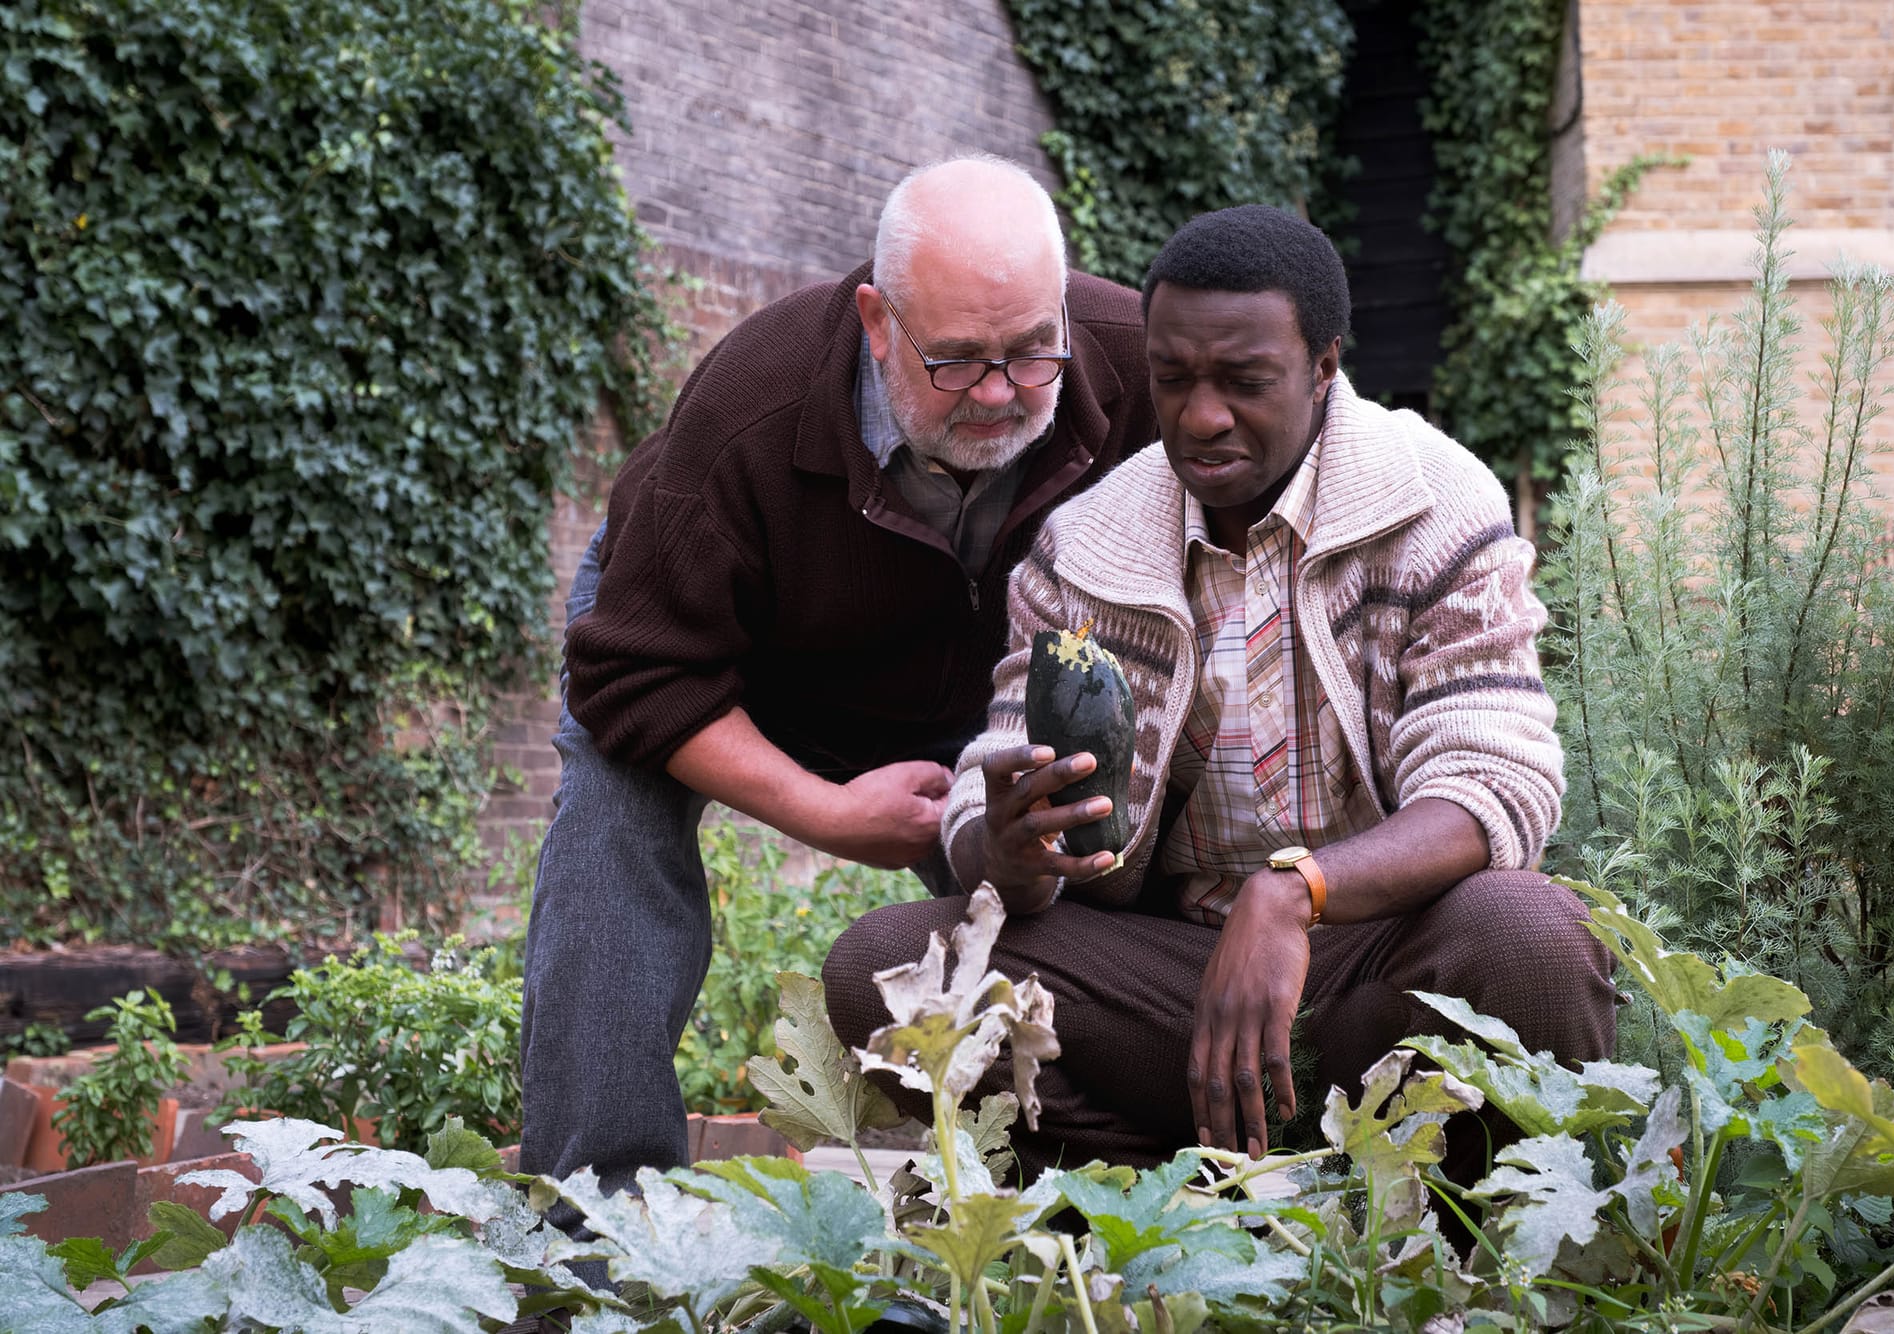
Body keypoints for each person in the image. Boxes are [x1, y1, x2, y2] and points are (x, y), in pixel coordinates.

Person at [823, 204, 1617, 1188]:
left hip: (1371, 972)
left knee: (1530, 934)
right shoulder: (1085, 547)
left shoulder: (1434, 503)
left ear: (1323, 365)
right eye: (1172, 378)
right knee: (885, 966)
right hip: (1166, 990)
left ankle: (1467, 1234)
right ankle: (1171, 1205)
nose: (1200, 416)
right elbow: (991, 804)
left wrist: (1292, 894)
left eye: (1243, 382)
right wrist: (1013, 848)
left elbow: (1493, 785)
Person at [519, 155, 1160, 1210]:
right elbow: (632, 675)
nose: (1000, 393)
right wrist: (823, 808)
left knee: (1051, 878)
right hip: (730, 644)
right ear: (875, 319)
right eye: (955, 362)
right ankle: (599, 1218)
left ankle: (1058, 1194)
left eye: (1028, 354)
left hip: (986, 669)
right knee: (613, 822)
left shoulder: (1132, 361)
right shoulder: (748, 411)